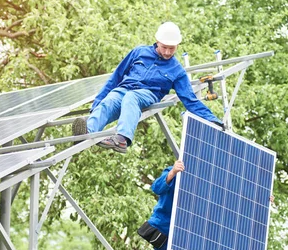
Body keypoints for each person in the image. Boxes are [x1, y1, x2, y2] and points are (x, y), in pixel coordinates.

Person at [72, 22, 222, 154]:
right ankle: (88, 132)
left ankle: (122, 139)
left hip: (147, 94)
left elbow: (190, 100)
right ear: (157, 41)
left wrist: (212, 120)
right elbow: (115, 78)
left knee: (132, 98)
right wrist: (96, 104)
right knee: (110, 99)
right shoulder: (139, 52)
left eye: (172, 48)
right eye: (164, 47)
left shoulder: (177, 70)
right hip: (124, 89)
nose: (168, 52)